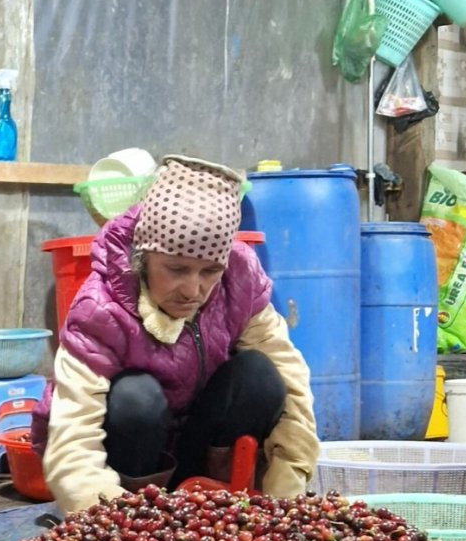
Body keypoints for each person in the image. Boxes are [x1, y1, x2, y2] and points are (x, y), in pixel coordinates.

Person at [32, 155, 319, 513]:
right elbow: (72, 435)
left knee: (260, 376)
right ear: (143, 255)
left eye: (209, 271)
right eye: (176, 269)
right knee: (136, 396)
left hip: (198, 443)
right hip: (134, 454)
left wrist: (287, 494)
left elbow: (292, 382)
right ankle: (136, 510)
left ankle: (226, 497)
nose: (192, 289)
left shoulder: (239, 279)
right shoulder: (101, 307)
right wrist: (107, 525)